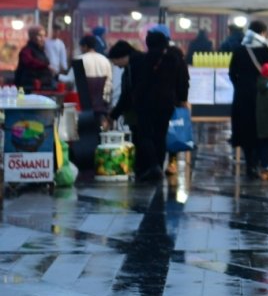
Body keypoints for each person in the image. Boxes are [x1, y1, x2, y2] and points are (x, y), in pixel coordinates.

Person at [115, 26, 189, 183]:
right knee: (160, 136)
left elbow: (141, 82)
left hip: (146, 104)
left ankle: (153, 166)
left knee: (145, 135)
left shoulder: (146, 58)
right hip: (167, 103)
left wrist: (136, 99)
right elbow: (183, 81)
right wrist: (182, 99)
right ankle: (159, 167)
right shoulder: (175, 57)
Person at [229, 20, 268, 178]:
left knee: (246, 128)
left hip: (243, 95)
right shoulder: (267, 50)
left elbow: (232, 73)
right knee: (262, 128)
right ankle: (259, 163)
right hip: (263, 94)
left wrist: (240, 86)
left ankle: (249, 163)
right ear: (263, 33)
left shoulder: (239, 50)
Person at [60, 35, 114, 129]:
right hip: (101, 103)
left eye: (81, 47)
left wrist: (57, 76)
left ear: (85, 46)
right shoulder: (105, 60)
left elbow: (69, 80)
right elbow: (109, 82)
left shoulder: (79, 59)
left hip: (81, 104)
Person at [106, 40, 143, 126]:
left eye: (114, 61)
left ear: (121, 57)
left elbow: (126, 95)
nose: (115, 65)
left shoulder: (133, 68)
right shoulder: (130, 67)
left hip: (140, 113)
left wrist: (113, 115)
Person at [15, 26, 54, 90]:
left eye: (44, 36)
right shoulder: (26, 50)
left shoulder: (41, 51)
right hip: (27, 87)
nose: (43, 39)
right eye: (40, 36)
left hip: (42, 87)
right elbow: (29, 62)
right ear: (32, 36)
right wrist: (45, 66)